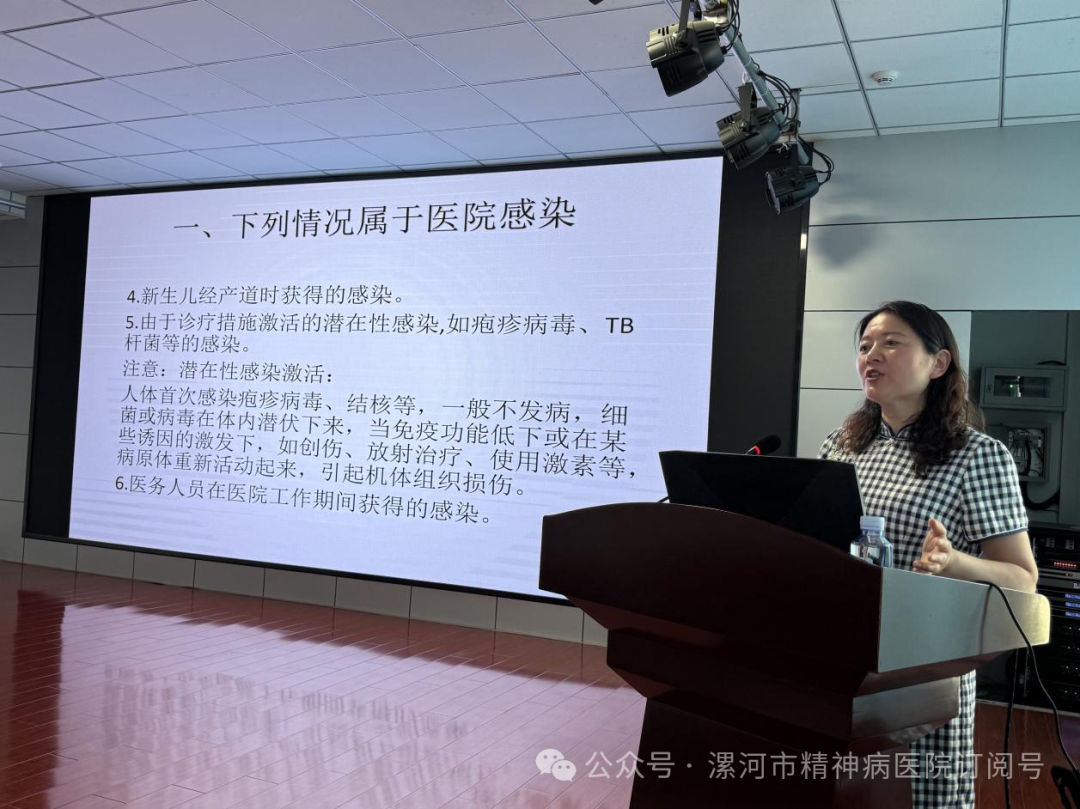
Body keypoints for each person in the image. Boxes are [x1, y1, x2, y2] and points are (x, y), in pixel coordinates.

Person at [818, 300, 1039, 809]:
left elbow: (1022, 578)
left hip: (925, 669)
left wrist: (953, 562)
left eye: (891, 343)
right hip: (845, 658)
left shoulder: (977, 455)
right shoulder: (842, 446)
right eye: (865, 345)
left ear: (938, 364)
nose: (872, 355)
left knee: (917, 795)